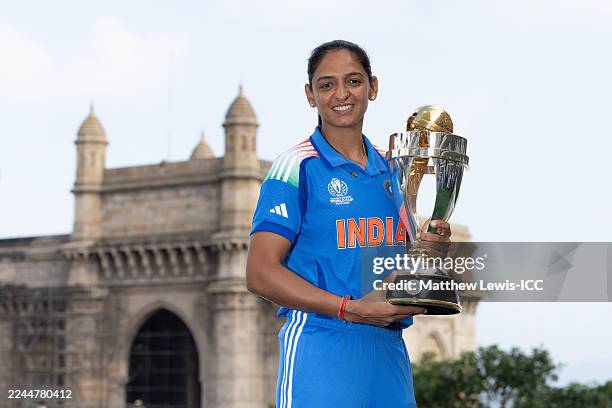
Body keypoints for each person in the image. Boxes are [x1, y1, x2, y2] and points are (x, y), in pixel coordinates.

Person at [246, 40, 451, 408]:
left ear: (373, 87)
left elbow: (401, 265)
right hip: (322, 344)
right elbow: (260, 273)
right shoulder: (295, 167)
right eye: (326, 84)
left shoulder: (396, 169)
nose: (341, 94)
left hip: (388, 352)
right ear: (311, 95)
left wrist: (430, 249)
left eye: (353, 81)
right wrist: (350, 308)